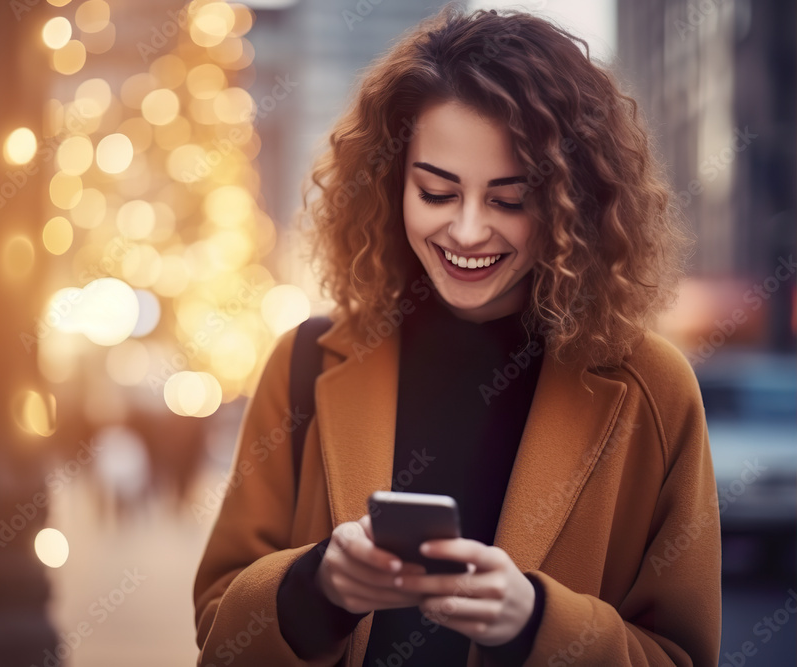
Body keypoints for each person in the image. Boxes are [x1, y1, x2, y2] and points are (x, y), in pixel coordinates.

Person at [193, 5, 721, 666]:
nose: (468, 232)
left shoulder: (653, 389)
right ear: (391, 186)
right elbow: (218, 627)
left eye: (508, 199)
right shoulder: (303, 360)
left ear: (572, 202)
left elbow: (682, 655)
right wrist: (317, 586)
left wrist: (534, 622)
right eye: (437, 192)